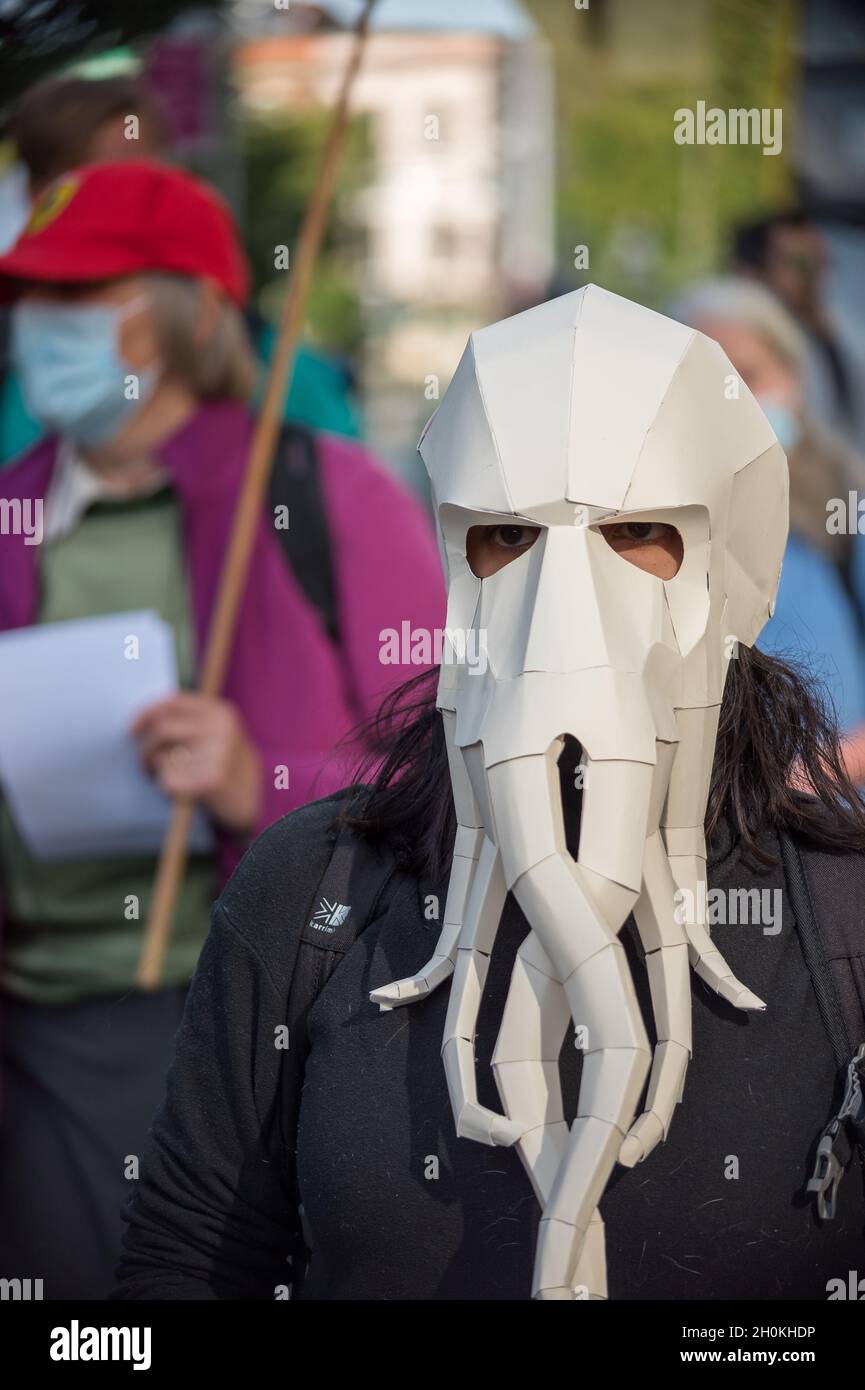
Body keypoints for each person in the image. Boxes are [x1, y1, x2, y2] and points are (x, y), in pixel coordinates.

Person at [114, 288, 865, 1302]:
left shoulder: (841, 918)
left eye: (637, 530)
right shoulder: (310, 898)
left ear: (729, 566)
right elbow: (186, 1265)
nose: (565, 614)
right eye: (506, 538)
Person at [0, 159, 444, 1298]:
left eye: (76, 299)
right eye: (28, 300)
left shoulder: (328, 497)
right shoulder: (11, 509)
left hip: (240, 1012)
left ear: (183, 314)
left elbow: (449, 759)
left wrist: (267, 777)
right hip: (36, 1016)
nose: (37, 327)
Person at [670, 276, 865, 782]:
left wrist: (811, 777)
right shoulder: (655, 529)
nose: (731, 400)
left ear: (794, 376)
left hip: (840, 837)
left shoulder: (847, 506)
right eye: (707, 385)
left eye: (749, 375)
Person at [732, 210, 865, 452]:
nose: (816, 277)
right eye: (801, 264)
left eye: (822, 262)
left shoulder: (838, 330)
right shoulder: (737, 337)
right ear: (750, 273)